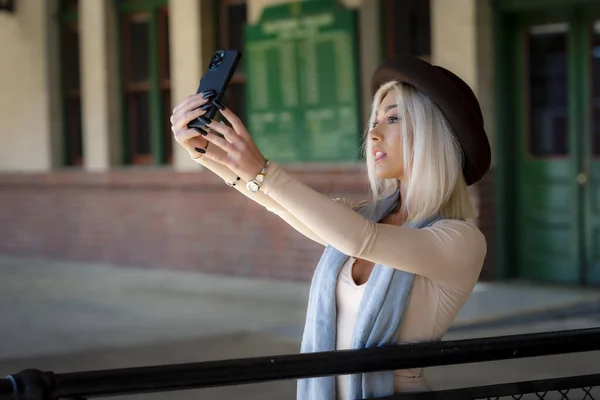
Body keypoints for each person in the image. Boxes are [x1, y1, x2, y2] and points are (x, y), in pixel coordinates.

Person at [170, 54, 490, 399]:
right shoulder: (364, 216)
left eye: (393, 119)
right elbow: (283, 206)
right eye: (375, 120)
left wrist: (262, 169)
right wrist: (207, 153)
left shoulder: (460, 239)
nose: (374, 134)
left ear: (432, 133)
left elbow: (358, 240)